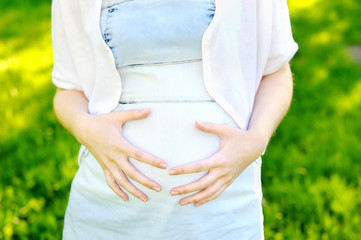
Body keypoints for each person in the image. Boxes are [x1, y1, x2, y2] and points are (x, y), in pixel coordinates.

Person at [51, 0, 298, 239]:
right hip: (107, 209)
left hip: (224, 211)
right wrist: (85, 127)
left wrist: (256, 139)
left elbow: (276, 71)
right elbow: (67, 90)